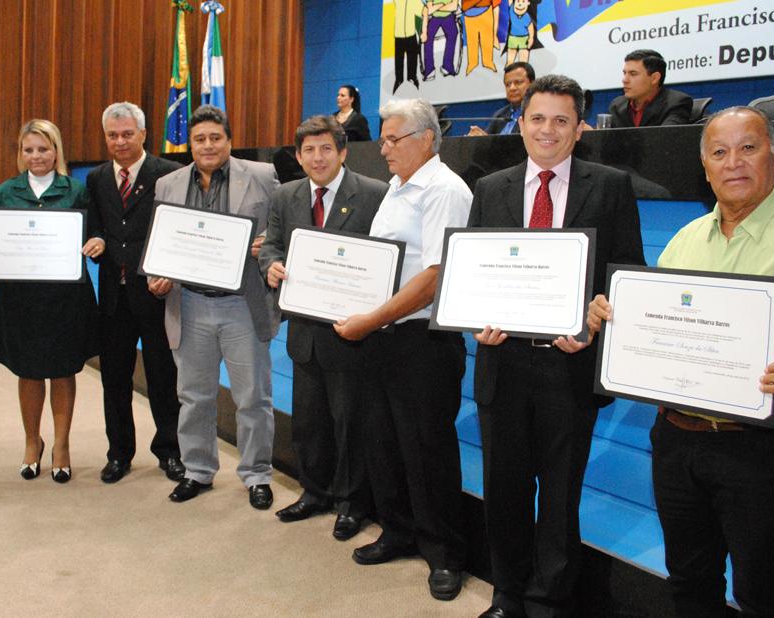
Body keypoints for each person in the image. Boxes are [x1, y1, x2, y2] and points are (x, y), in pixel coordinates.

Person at [588, 106, 774, 616]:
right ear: (705, 166)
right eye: (719, 152)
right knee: (689, 580)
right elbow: (660, 322)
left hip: (760, 449)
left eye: (749, 148)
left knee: (760, 590)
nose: (733, 163)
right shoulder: (686, 239)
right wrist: (614, 317)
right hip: (675, 440)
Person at [469, 74, 644, 618]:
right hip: (503, 363)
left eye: (560, 120)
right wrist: (475, 317)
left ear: (579, 128)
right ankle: (507, 593)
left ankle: (549, 600)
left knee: (561, 495)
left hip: (570, 365)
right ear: (521, 124)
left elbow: (627, 271)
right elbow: (473, 273)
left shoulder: (610, 185)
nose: (547, 130)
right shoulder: (489, 188)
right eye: (537, 118)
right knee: (504, 490)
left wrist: (595, 318)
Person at [334, 98, 471, 601]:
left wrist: (369, 319)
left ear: (426, 139)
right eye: (384, 139)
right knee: (384, 440)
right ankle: (397, 531)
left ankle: (444, 553)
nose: (384, 149)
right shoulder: (397, 187)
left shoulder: (444, 191)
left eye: (393, 140)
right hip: (383, 338)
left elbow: (434, 277)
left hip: (422, 342)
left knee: (427, 449)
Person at [259, 115, 388, 540]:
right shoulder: (285, 195)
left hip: (352, 332)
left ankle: (352, 503)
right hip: (304, 332)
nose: (317, 158)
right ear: (298, 156)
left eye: (326, 149)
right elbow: (272, 243)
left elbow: (384, 257)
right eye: (308, 151)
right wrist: (270, 265)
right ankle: (314, 491)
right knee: (310, 421)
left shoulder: (374, 194)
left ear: (343, 152)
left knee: (350, 421)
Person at [151, 105, 281, 509]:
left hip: (242, 304)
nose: (207, 146)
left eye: (215, 138)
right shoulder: (168, 183)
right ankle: (198, 470)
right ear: (189, 143)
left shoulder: (261, 176)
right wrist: (159, 275)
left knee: (252, 398)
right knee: (194, 396)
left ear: (229, 139)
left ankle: (256, 473)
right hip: (188, 303)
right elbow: (163, 242)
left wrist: (267, 246)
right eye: (199, 139)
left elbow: (280, 228)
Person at [0, 120, 100, 484]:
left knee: (63, 369)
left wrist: (97, 242)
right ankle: (31, 441)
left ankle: (63, 446)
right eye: (29, 150)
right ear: (20, 154)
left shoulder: (76, 191)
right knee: (28, 370)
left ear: (56, 151)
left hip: (65, 299)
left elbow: (95, 233)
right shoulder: (7, 191)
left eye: (43, 148)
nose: (36, 156)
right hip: (21, 300)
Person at [84, 102, 184, 484]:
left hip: (155, 293)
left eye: (127, 134)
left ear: (143, 134)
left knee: (162, 376)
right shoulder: (96, 179)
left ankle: (170, 451)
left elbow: (176, 231)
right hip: (113, 295)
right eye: (113, 135)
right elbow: (96, 224)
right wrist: (95, 237)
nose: (120, 141)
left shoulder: (169, 174)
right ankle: (119, 453)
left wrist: (169, 272)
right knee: (115, 379)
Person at [606, 49, 692, 128]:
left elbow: (665, 138)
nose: (624, 80)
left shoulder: (676, 103)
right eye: (624, 73)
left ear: (654, 78)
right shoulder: (617, 105)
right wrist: (595, 136)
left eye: (633, 74)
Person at [468, 61, 535, 136]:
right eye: (508, 84)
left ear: (532, 84)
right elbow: (488, 142)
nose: (512, 88)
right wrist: (479, 139)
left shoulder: (537, 114)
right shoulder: (500, 114)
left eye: (518, 82)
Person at [420, 1, 459, 81]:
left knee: (453, 33)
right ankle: (429, 70)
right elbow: (429, 10)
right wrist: (444, 5)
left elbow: (454, 6)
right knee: (428, 36)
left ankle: (447, 67)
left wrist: (437, 7)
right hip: (434, 17)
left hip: (449, 16)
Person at [392, 0, 424, 93]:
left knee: (412, 59)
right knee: (398, 60)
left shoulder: (415, 1)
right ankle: (399, 80)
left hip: (411, 35)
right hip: (398, 35)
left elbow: (422, 11)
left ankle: (412, 78)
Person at [462, 0, 501, 75]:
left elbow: (496, 3)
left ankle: (488, 62)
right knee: (472, 41)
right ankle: (472, 63)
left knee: (487, 39)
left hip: (486, 10)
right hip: (469, 14)